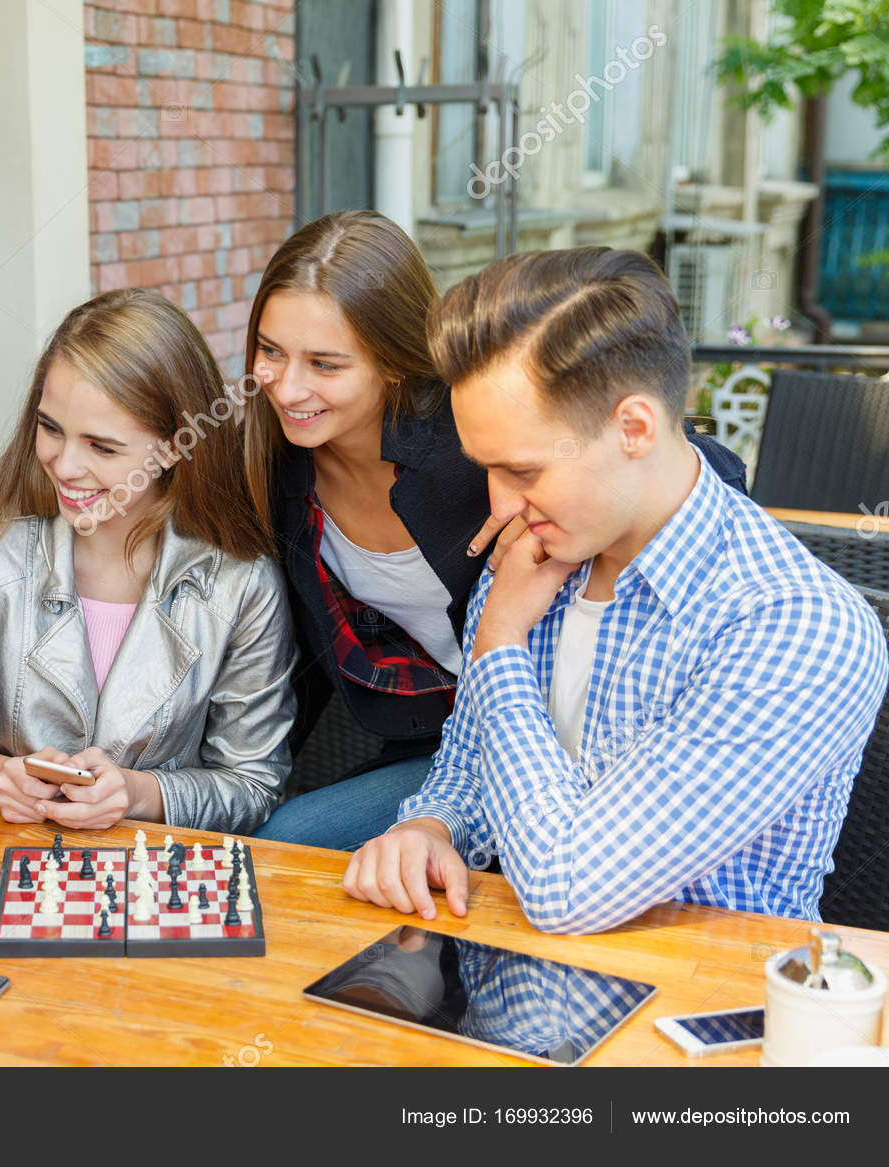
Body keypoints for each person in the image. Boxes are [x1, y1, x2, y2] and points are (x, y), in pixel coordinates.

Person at [342, 247, 887, 933]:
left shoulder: (795, 628)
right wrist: (430, 826)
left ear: (634, 427)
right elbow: (471, 764)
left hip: (696, 1014)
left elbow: (569, 889)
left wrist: (500, 643)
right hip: (505, 983)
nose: (501, 503)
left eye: (522, 468)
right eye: (487, 467)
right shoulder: (537, 556)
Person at [241, 211, 748, 849]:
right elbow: (294, 652)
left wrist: (534, 506)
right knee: (286, 843)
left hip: (564, 728)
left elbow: (700, 464)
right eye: (270, 351)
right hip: (444, 748)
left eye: (325, 364)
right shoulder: (269, 465)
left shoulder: (472, 443)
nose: (288, 387)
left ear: (392, 361)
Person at [0, 289, 297, 834]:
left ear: (174, 447)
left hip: (151, 888)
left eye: (102, 447)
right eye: (50, 428)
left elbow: (253, 782)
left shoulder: (242, 584)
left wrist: (139, 793)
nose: (65, 464)